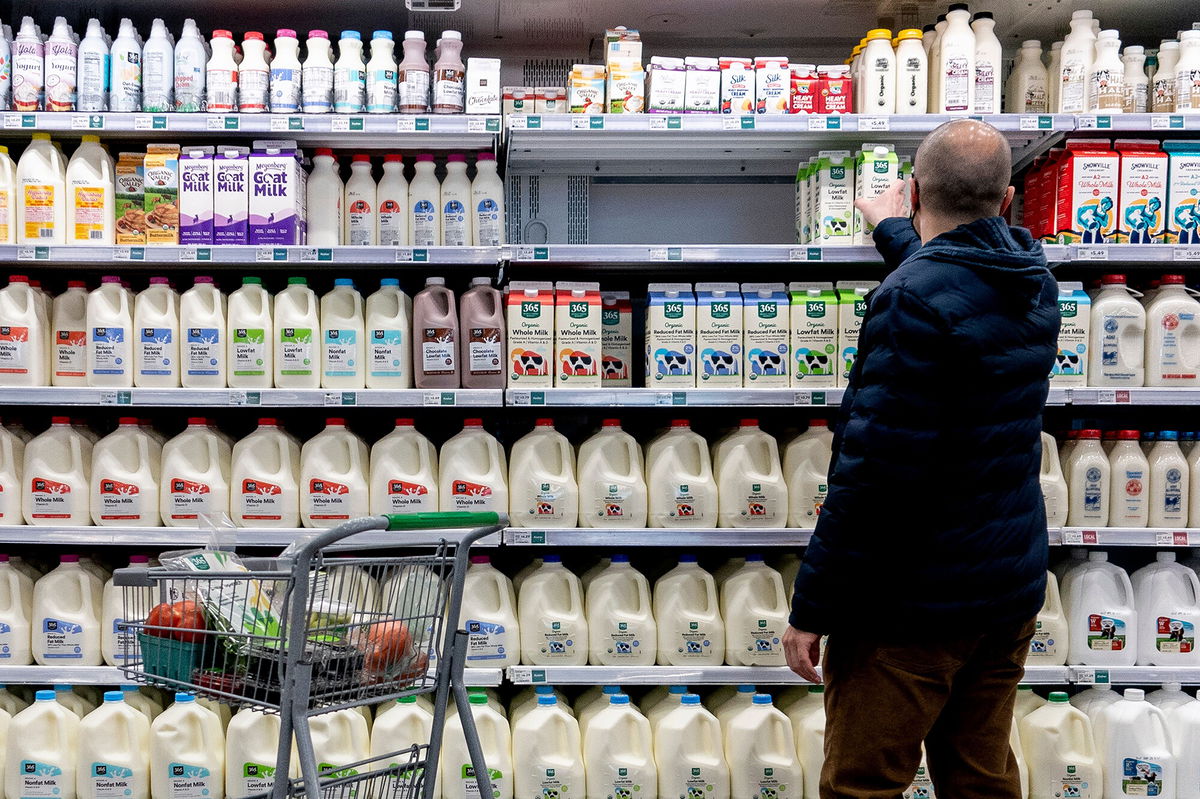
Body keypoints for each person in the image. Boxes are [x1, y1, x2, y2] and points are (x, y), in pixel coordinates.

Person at [782, 119, 1060, 799]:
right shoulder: (1032, 279)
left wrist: (812, 606)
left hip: (912, 607)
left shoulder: (909, 300)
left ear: (912, 190)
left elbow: (874, 476)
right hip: (1004, 593)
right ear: (1007, 200)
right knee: (980, 775)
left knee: (863, 782)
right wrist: (894, 232)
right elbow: (957, 282)